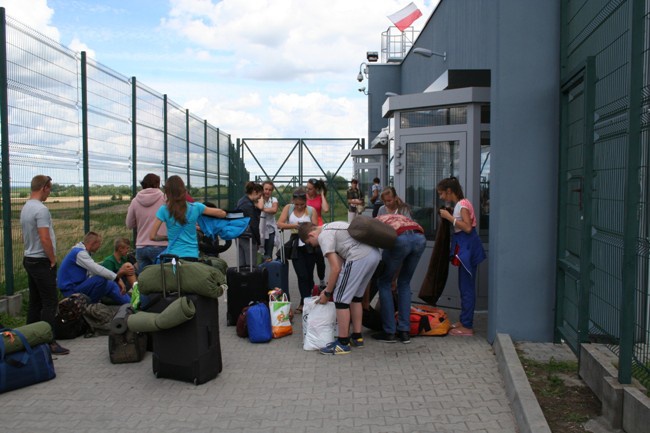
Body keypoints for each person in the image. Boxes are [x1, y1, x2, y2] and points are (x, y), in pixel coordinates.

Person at [299, 221, 381, 355]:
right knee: (355, 297)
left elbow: (336, 268)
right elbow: (341, 263)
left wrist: (327, 292)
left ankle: (343, 343)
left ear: (311, 234)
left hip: (358, 257)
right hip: (374, 255)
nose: (312, 246)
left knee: (340, 299)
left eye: (309, 243)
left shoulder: (323, 236)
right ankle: (357, 337)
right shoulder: (334, 225)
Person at [20, 175, 69, 355]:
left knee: (35, 302)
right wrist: (52, 259)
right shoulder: (41, 210)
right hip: (41, 260)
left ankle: (28, 339)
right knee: (49, 303)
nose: (49, 193)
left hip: (29, 258)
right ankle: (49, 342)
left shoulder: (26, 207)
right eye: (49, 189)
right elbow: (44, 237)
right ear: (44, 188)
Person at [437, 177, 486, 337]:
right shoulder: (462, 203)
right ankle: (464, 320)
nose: (441, 197)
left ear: (449, 191)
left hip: (467, 248)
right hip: (466, 247)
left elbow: (467, 228)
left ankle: (467, 326)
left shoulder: (462, 205)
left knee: (467, 289)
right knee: (464, 287)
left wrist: (449, 218)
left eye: (442, 193)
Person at [372, 213, 427, 344]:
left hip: (400, 239)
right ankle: (404, 331)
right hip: (420, 238)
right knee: (404, 282)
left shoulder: (375, 222)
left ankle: (389, 332)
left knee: (384, 282)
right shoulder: (399, 217)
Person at [150, 175, 226, 260]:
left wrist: (168, 237)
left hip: (172, 257)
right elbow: (222, 213)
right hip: (191, 256)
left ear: (167, 193)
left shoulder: (163, 210)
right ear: (183, 190)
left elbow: (152, 236)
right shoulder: (196, 207)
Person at [58, 232, 132, 305]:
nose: (100, 246)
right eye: (99, 243)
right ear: (93, 243)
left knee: (110, 284)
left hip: (77, 286)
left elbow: (92, 271)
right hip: (71, 290)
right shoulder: (79, 253)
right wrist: (117, 278)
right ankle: (90, 306)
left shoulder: (81, 251)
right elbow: (97, 269)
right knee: (101, 279)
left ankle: (131, 305)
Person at [277, 188, 318, 313]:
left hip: (309, 244)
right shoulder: (288, 208)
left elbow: (315, 227)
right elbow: (280, 224)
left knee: (309, 274)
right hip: (295, 244)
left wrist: (306, 228)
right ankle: (304, 302)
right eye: (297, 204)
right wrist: (294, 226)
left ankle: (309, 299)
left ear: (306, 202)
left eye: (302, 204)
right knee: (301, 275)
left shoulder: (311, 210)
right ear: (293, 201)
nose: (299, 207)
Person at [126, 173, 167, 272]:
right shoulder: (165, 199)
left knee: (145, 281)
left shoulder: (135, 201)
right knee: (163, 281)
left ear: (143, 184)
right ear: (157, 184)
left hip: (141, 247)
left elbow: (129, 224)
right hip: (161, 245)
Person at [306, 178, 329, 288]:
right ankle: (309, 281)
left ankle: (322, 280)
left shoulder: (320, 198)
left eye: (310, 189)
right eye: (307, 188)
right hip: (307, 229)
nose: (308, 190)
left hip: (319, 229)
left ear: (315, 189)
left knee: (319, 256)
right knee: (308, 257)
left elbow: (325, 209)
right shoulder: (304, 197)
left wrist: (323, 195)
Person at [235, 181, 264, 266]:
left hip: (239, 235)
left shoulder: (241, 201)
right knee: (251, 265)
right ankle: (251, 279)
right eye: (260, 195)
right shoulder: (249, 206)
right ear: (255, 192)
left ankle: (242, 279)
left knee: (241, 264)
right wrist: (258, 241)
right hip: (249, 237)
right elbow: (254, 225)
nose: (260, 198)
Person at [259, 180, 278, 261]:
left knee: (269, 254)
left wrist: (262, 209)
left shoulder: (274, 199)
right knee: (259, 253)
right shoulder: (258, 198)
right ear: (262, 189)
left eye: (270, 190)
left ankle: (268, 272)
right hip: (259, 231)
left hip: (271, 231)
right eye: (266, 189)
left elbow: (274, 210)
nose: (267, 191)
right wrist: (267, 209)